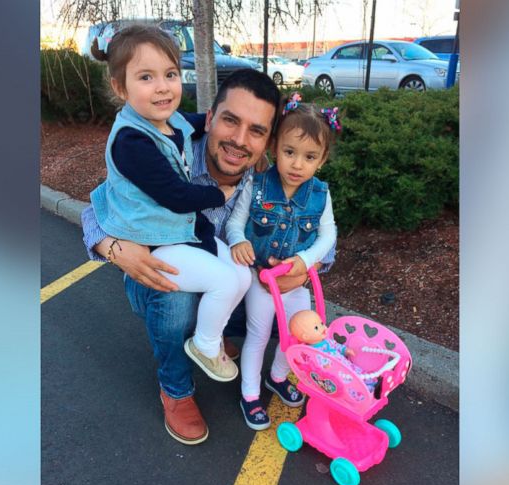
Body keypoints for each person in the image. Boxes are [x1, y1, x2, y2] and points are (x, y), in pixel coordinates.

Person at [82, 68, 333, 445]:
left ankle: (213, 338)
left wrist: (307, 268)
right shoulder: (170, 150)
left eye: (257, 131)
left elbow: (317, 232)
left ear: (269, 141)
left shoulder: (265, 178)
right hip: (163, 277)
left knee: (270, 299)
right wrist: (114, 248)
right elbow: (99, 203)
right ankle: (176, 388)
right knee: (176, 298)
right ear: (210, 117)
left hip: (223, 276)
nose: (239, 141)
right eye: (230, 121)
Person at [88, 25, 250, 386]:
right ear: (120, 87)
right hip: (156, 242)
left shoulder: (166, 120)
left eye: (171, 74)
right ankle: (192, 363)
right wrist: (218, 195)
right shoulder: (132, 141)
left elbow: (188, 125)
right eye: (146, 77)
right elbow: (176, 196)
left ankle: (209, 334)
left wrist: (214, 122)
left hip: (182, 234)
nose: (163, 86)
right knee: (220, 281)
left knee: (241, 275)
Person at [227, 95, 342, 429]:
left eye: (309, 157)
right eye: (289, 152)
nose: (297, 165)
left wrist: (305, 262)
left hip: (295, 280)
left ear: (321, 160)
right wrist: (239, 240)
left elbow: (328, 235)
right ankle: (249, 393)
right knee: (259, 334)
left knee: (298, 334)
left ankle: (277, 377)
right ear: (274, 148)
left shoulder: (320, 193)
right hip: (261, 280)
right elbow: (236, 221)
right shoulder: (258, 184)